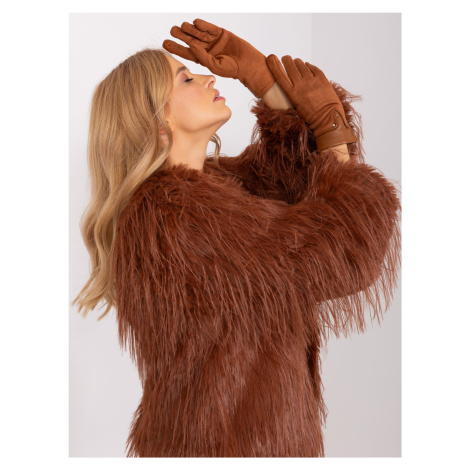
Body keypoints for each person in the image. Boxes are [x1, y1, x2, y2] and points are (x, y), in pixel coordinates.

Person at [72, 19, 401, 457]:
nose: (207, 77)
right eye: (185, 79)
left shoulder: (208, 190)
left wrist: (263, 79)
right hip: (228, 447)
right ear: (157, 119)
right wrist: (333, 130)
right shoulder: (174, 213)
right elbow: (336, 251)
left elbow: (291, 185)